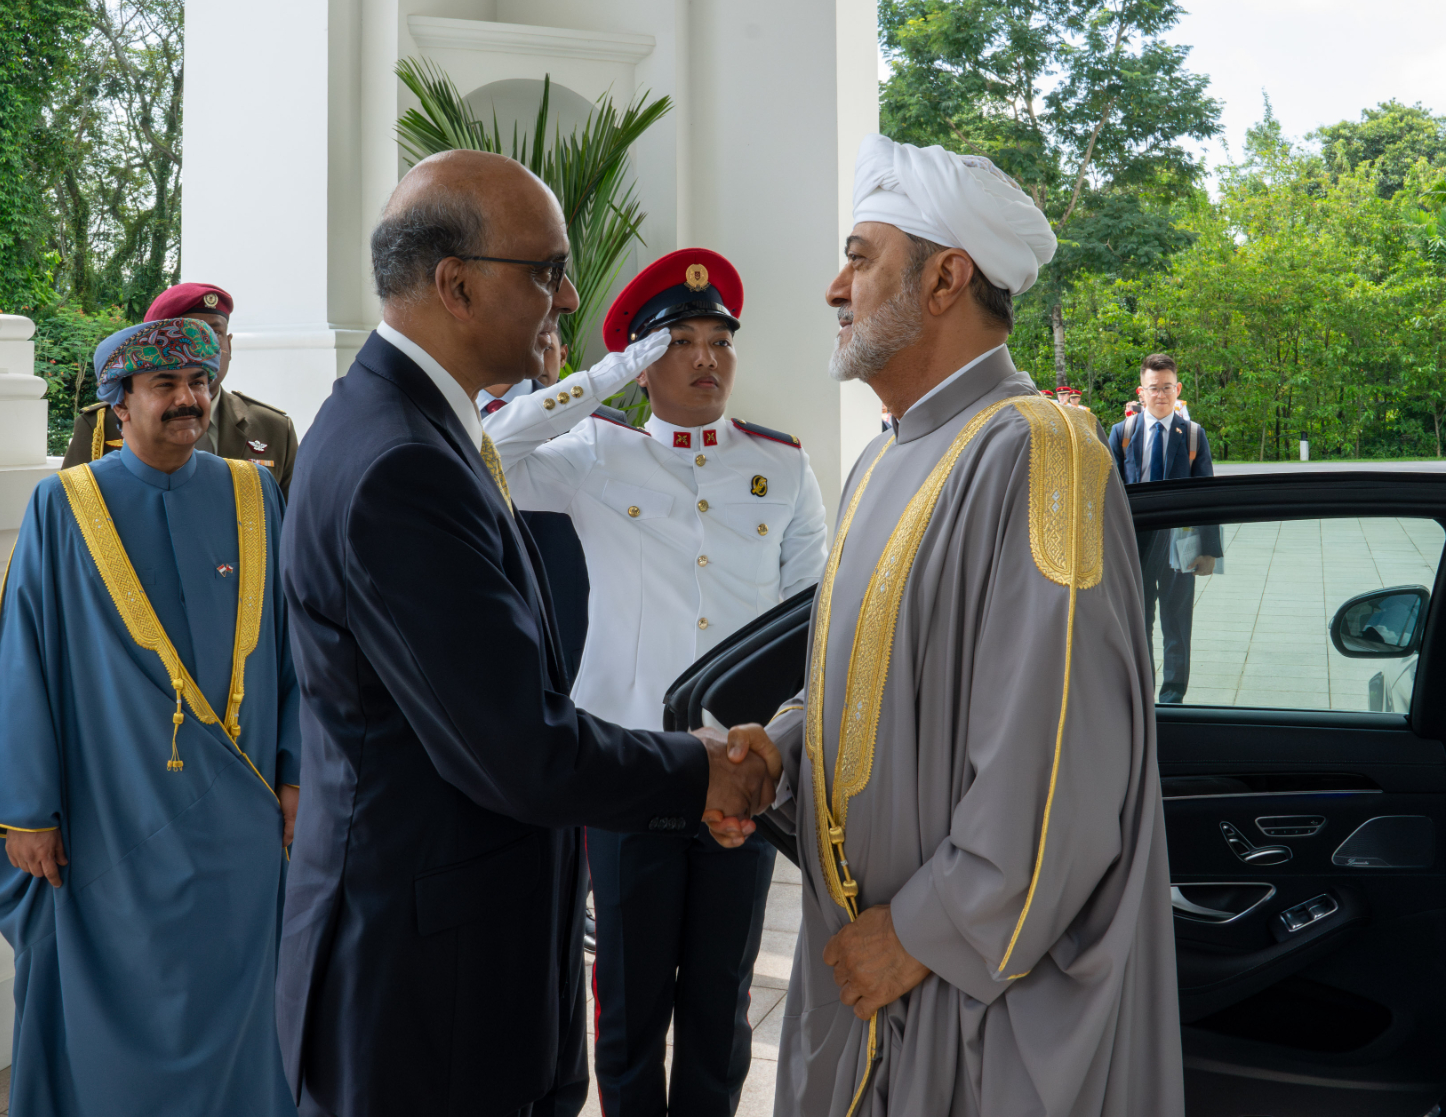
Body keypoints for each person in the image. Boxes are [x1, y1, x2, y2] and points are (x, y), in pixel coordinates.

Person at [275, 149, 776, 1117]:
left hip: (453, 950)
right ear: (456, 286)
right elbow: (519, 749)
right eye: (545, 270)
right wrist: (701, 770)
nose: (568, 295)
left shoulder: (405, 422)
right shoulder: (401, 462)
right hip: (426, 985)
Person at [729, 133, 1181, 1115]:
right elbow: (868, 681)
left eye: (859, 258)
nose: (835, 289)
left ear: (944, 278)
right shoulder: (883, 460)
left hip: (962, 1000)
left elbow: (1059, 762)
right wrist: (781, 751)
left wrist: (920, 934)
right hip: (862, 980)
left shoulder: (1041, 454)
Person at [487, 247, 829, 1113]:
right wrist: (605, 375)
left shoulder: (783, 466)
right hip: (629, 766)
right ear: (643, 362)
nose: (707, 357)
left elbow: (813, 625)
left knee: (721, 1002)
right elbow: (489, 448)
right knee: (630, 1008)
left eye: (720, 340)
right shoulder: (596, 454)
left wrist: (772, 753)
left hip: (744, 771)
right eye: (680, 342)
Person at [0, 318, 301, 1117]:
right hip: (112, 812)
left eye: (200, 383)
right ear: (119, 403)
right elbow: (26, 659)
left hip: (243, 814)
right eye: (165, 385)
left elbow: (296, 649)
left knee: (246, 996)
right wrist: (26, 810)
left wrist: (297, 771)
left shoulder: (255, 493)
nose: (189, 399)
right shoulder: (64, 505)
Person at [63, 283, 299, 494]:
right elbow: (72, 508)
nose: (201, 345)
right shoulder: (100, 425)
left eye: (215, 333)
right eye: (186, 334)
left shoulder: (274, 428)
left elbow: (290, 522)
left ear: (229, 344)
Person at [1107, 352, 1222, 704]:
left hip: (1179, 544)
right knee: (1137, 624)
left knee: (1177, 624)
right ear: (1141, 391)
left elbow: (1207, 495)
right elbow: (1108, 495)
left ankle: (1173, 698)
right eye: (1154, 388)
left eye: (1167, 387)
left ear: (1178, 389)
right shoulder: (1122, 433)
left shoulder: (1193, 435)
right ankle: (1141, 695)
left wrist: (1209, 550)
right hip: (1135, 544)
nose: (1160, 394)